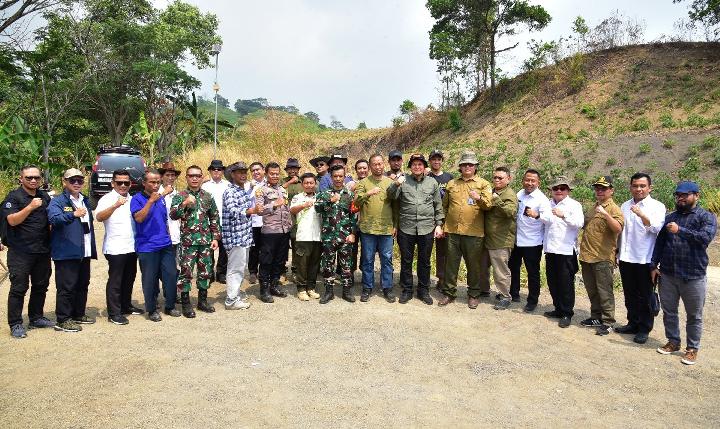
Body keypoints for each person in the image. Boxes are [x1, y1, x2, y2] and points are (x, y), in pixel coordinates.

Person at [652, 181, 717, 365]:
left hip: (693, 275)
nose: (680, 198)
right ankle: (673, 341)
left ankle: (692, 348)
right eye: (678, 195)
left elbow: (704, 239)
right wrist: (653, 266)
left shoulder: (706, 217)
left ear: (696, 196)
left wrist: (680, 230)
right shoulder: (670, 217)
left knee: (694, 315)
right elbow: (660, 243)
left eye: (685, 195)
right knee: (669, 311)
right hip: (668, 274)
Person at [437, 151, 492, 308]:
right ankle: (449, 293)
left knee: (473, 265)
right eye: (464, 164)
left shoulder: (484, 184)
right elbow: (445, 206)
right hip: (452, 231)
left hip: (474, 233)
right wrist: (441, 225)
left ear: (476, 167)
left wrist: (478, 198)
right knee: (451, 264)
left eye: (471, 164)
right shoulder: (452, 183)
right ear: (460, 167)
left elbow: (488, 206)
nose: (467, 167)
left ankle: (474, 294)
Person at [4, 165, 53, 338]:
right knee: (19, 288)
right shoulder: (14, 197)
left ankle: (36, 317)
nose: (33, 181)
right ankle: (16, 323)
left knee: (41, 286)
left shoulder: (44, 196)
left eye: (36, 178)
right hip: (21, 251)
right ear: (21, 179)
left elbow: (50, 220)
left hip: (42, 250)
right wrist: (30, 207)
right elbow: (12, 221)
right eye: (29, 178)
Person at [616, 173, 666, 344]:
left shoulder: (657, 206)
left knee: (645, 296)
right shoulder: (624, 205)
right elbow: (622, 232)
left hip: (645, 258)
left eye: (642, 186)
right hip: (626, 256)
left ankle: (644, 328)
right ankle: (632, 323)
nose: (638, 189)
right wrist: (617, 253)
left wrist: (642, 215)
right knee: (630, 293)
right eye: (635, 185)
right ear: (630, 187)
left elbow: (658, 229)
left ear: (649, 188)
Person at [388, 153, 443, 305]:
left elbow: (438, 205)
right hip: (406, 227)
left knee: (424, 261)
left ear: (424, 166)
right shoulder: (403, 181)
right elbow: (391, 196)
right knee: (406, 261)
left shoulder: (432, 182)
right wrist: (396, 184)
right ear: (410, 167)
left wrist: (439, 224)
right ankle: (407, 290)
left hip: (427, 228)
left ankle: (423, 291)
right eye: (414, 164)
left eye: (420, 164)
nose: (417, 167)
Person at [47, 168, 97, 332]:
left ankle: (77, 314)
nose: (76, 183)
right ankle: (63, 319)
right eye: (72, 180)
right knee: (66, 287)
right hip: (66, 251)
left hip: (84, 250)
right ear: (64, 182)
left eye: (80, 181)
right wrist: (73, 214)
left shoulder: (85, 200)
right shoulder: (58, 201)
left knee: (82, 284)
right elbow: (54, 219)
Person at [131, 169, 181, 321]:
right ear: (144, 183)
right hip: (147, 246)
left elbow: (164, 219)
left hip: (165, 244)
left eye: (158, 182)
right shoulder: (137, 199)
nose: (155, 185)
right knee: (150, 279)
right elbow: (139, 218)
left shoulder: (161, 198)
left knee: (171, 275)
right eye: (152, 182)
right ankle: (152, 309)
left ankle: (170, 305)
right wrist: (151, 201)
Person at [170, 165, 221, 315]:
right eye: (191, 176)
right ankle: (185, 303)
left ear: (201, 177)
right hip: (188, 243)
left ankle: (202, 302)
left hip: (205, 242)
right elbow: (173, 215)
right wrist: (184, 203)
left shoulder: (207, 196)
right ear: (186, 178)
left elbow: (214, 217)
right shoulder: (180, 195)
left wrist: (216, 237)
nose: (194, 178)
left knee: (205, 272)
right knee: (186, 272)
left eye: (197, 176)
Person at [95, 169, 142, 325]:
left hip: (131, 246)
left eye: (126, 183)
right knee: (116, 280)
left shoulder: (133, 199)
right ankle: (114, 313)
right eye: (119, 182)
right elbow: (99, 217)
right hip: (115, 247)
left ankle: (126, 305)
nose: (123, 185)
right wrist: (115, 205)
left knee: (129, 278)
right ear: (113, 183)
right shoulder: (107, 198)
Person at [579, 176, 624, 336]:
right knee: (592, 290)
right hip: (587, 256)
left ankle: (608, 321)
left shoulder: (613, 209)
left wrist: (605, 214)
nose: (599, 191)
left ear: (611, 190)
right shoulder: (594, 207)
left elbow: (617, 228)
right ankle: (596, 317)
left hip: (603, 257)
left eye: (603, 188)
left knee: (605, 291)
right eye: (597, 188)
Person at [539, 176, 584, 328]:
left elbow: (579, 223)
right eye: (555, 188)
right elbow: (544, 222)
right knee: (553, 281)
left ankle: (566, 313)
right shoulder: (547, 204)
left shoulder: (574, 205)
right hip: (551, 249)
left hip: (566, 250)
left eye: (562, 188)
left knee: (565, 283)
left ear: (568, 190)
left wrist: (563, 215)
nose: (559, 190)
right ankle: (558, 308)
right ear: (551, 190)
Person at [354, 154, 397, 303]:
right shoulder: (364, 182)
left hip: (386, 229)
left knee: (386, 259)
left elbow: (396, 205)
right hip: (368, 229)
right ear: (370, 166)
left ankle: (387, 288)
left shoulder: (390, 182)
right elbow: (356, 202)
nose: (377, 167)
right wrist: (368, 193)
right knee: (367, 260)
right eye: (374, 164)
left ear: (383, 164)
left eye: (380, 164)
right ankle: (367, 287)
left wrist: (395, 225)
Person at [509, 169, 551, 312]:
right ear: (523, 180)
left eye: (533, 181)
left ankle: (532, 300)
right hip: (516, 239)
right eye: (527, 180)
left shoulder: (542, 200)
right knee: (513, 267)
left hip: (532, 242)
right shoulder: (519, 194)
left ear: (538, 182)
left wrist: (537, 215)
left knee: (532, 272)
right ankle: (513, 293)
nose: (530, 183)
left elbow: (549, 220)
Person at [315, 164, 357, 304]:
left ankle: (346, 291)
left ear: (344, 177)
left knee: (346, 265)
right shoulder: (324, 194)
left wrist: (352, 233)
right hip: (329, 236)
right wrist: (330, 200)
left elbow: (353, 216)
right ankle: (329, 292)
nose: (338, 179)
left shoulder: (350, 195)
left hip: (345, 235)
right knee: (328, 264)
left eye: (340, 176)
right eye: (335, 176)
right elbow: (318, 208)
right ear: (331, 177)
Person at [222, 162, 260, 310]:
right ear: (232, 175)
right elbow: (233, 210)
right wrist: (252, 210)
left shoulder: (241, 190)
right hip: (235, 237)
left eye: (245, 172)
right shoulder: (230, 192)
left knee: (240, 268)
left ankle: (235, 294)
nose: (243, 175)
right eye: (239, 172)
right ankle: (231, 300)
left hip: (243, 236)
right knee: (235, 269)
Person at [478, 167, 517, 311]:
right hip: (487, 237)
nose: (497, 180)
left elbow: (510, 212)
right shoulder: (492, 192)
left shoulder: (509, 194)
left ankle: (505, 296)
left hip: (501, 239)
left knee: (500, 271)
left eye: (500, 178)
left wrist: (497, 200)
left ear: (508, 179)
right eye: (495, 177)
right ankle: (484, 290)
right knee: (482, 266)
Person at [255, 162, 293, 303]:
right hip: (270, 232)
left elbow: (287, 209)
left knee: (280, 260)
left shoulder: (283, 189)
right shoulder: (261, 190)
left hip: (284, 231)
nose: (275, 176)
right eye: (272, 173)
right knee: (266, 261)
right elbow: (258, 210)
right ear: (266, 174)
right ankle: (264, 289)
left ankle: (274, 285)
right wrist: (272, 204)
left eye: (277, 173)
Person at [289, 173, 322, 301]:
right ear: (302, 184)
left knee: (314, 264)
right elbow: (292, 210)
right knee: (302, 264)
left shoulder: (320, 197)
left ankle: (311, 287)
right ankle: (301, 289)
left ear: (315, 184)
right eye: (306, 183)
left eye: (311, 183)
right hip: (303, 236)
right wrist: (303, 205)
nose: (309, 185)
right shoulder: (298, 197)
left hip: (317, 235)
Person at [427, 149, 453, 287]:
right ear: (430, 161)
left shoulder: (449, 178)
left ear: (442, 161)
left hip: (443, 218)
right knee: (425, 249)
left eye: (439, 159)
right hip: (427, 218)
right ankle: (424, 278)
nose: (436, 161)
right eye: (433, 159)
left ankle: (442, 279)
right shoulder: (426, 176)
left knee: (443, 251)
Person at [201, 159, 229, 283]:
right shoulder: (205, 186)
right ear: (210, 171)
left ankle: (221, 272)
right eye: (214, 169)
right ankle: (210, 271)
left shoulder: (227, 185)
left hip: (224, 220)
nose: (216, 171)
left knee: (224, 249)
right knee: (209, 249)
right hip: (209, 222)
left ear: (223, 171)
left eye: (219, 169)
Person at [283, 158, 304, 281]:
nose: (292, 170)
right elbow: (278, 191)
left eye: (294, 168)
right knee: (283, 247)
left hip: (299, 220)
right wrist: (291, 182)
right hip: (284, 219)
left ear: (298, 169)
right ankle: (283, 270)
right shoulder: (282, 181)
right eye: (290, 168)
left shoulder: (303, 182)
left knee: (297, 246)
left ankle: (296, 270)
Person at [247, 161, 265, 284]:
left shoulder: (269, 183)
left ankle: (263, 271)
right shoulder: (247, 185)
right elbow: (245, 200)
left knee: (266, 248)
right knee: (254, 248)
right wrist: (251, 188)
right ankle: (253, 272)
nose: (256, 172)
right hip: (253, 221)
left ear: (263, 170)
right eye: (253, 170)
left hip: (267, 221)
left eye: (258, 169)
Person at [350, 159, 369, 273]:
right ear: (356, 170)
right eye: (359, 168)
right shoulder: (350, 183)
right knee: (352, 249)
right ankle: (350, 273)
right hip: (352, 221)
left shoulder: (373, 183)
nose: (362, 170)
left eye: (364, 168)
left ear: (369, 169)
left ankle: (365, 274)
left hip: (367, 221)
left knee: (367, 250)